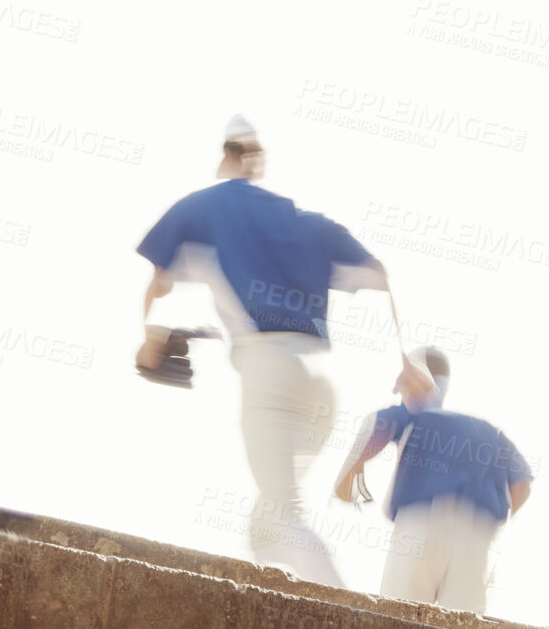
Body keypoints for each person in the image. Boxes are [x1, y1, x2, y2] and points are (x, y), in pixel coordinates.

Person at [136, 114, 434, 587]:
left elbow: (158, 283)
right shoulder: (306, 221)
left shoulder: (205, 206)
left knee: (285, 518)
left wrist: (148, 338)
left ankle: (350, 621)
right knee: (265, 529)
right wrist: (406, 360)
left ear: (225, 156)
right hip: (319, 384)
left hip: (268, 374)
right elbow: (380, 273)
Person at [332, 346, 532, 612]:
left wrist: (346, 479)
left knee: (397, 624)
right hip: (476, 535)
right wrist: (491, 528)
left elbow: (374, 427)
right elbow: (522, 485)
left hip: (419, 525)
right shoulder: (491, 432)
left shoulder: (415, 415)